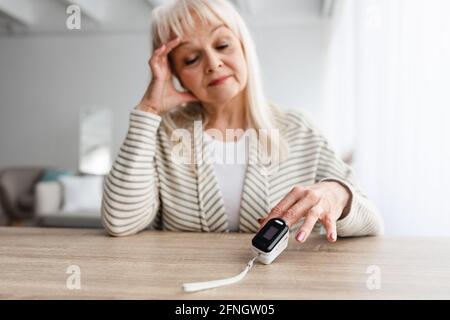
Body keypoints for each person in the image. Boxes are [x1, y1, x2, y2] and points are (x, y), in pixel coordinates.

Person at [101, 0, 384, 243]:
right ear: (173, 73)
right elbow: (119, 221)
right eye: (190, 59)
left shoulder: (299, 129)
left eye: (222, 44)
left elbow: (372, 224)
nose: (213, 63)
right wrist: (149, 109)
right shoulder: (162, 134)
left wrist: (338, 195)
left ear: (243, 47)